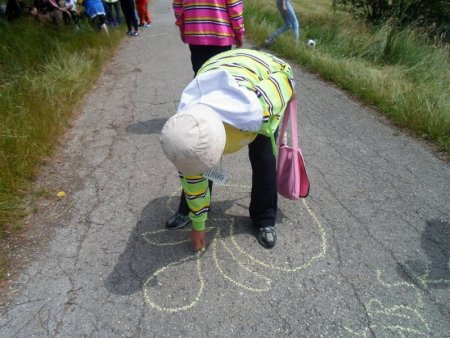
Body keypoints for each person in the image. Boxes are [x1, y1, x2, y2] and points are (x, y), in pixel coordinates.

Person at [160, 49, 295, 251]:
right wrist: (198, 225)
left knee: (264, 158)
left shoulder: (257, 108)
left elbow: (283, 80)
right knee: (195, 161)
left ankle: (265, 218)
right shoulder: (186, 124)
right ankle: (188, 209)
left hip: (262, 72)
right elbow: (193, 175)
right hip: (215, 67)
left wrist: (289, 88)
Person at [172, 0, 245, 75]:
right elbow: (235, 9)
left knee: (200, 72)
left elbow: (178, 7)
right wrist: (239, 32)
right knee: (220, 74)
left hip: (195, 33)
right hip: (221, 35)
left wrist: (182, 28)